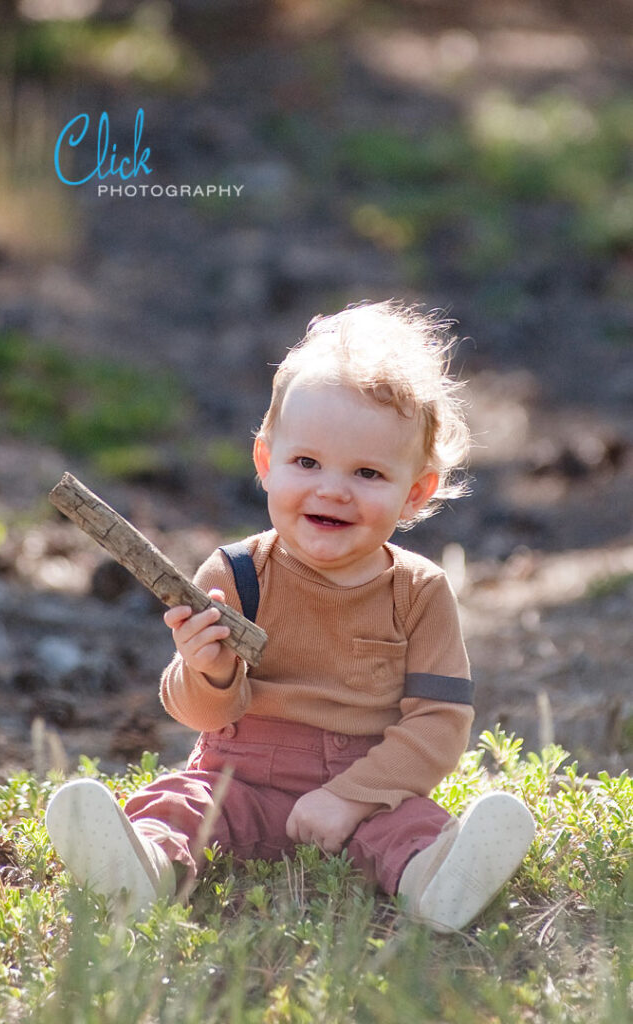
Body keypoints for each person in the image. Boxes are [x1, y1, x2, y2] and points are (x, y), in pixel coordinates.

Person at [46, 300, 535, 933]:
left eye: (367, 472)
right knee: (180, 808)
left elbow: (439, 723)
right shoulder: (234, 575)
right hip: (237, 777)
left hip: (366, 788)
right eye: (307, 463)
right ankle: (140, 871)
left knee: (409, 830)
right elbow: (196, 713)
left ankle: (439, 882)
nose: (332, 489)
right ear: (265, 462)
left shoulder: (418, 590)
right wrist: (208, 669)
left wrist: (351, 797)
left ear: (415, 491)